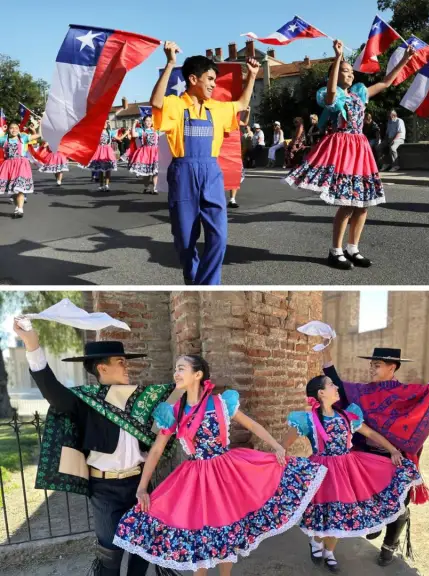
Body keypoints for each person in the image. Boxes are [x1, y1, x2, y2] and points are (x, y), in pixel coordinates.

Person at [112, 355, 327, 574]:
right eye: (176, 369)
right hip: (196, 477)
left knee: (228, 529)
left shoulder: (220, 403)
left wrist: (277, 446)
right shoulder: (174, 411)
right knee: (201, 534)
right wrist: (142, 487)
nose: (176, 373)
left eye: (181, 368)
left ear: (197, 374)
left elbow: (251, 424)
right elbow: (157, 450)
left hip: (226, 472)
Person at [12, 319, 175, 576]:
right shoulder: (88, 402)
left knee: (143, 550)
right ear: (102, 368)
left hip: (139, 483)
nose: (126, 367)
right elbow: (53, 393)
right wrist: (33, 345)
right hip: (105, 489)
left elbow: (176, 398)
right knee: (110, 556)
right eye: (120, 362)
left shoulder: (140, 399)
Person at [319, 337, 429, 566]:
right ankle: (375, 524)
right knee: (363, 496)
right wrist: (326, 354)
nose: (372, 368)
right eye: (371, 364)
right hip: (366, 455)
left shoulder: (408, 393)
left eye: (377, 365)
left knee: (399, 502)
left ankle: (390, 544)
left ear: (392, 367)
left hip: (398, 457)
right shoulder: (360, 392)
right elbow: (336, 385)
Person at [285, 40, 416, 271]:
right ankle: (335, 251)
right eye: (345, 72)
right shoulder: (330, 95)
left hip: (360, 148)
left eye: (350, 72)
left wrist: (406, 59)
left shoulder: (359, 94)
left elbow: (386, 82)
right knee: (346, 202)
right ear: (335, 75)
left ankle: (352, 248)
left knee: (363, 203)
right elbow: (332, 94)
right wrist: (337, 59)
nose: (350, 75)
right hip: (343, 148)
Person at [283, 376, 422, 572]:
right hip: (322, 473)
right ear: (321, 393)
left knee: (341, 515)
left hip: (347, 470)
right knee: (323, 514)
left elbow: (371, 434)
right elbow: (284, 447)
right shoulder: (307, 420)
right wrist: (282, 463)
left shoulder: (348, 417)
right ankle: (316, 542)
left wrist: (392, 450)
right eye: (331, 384)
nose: (336, 387)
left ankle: (329, 552)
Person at [150, 41, 258, 285]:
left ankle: (208, 286)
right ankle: (193, 281)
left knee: (218, 236)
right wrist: (170, 63)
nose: (213, 84)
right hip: (183, 173)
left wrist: (251, 76)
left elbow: (241, 105)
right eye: (209, 79)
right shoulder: (176, 105)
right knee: (185, 241)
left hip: (211, 172)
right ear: (192, 79)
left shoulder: (216, 108)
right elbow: (156, 102)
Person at [0, 122, 40, 218]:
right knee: (13, 190)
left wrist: (40, 124)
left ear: (19, 129)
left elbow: (38, 135)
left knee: (20, 188)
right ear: (8, 129)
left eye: (16, 128)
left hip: (21, 164)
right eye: (11, 128)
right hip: (8, 165)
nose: (14, 130)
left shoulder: (23, 138)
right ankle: (17, 206)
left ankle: (20, 209)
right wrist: (2, 130)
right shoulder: (3, 139)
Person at [127, 115, 161, 194]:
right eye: (147, 121)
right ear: (144, 122)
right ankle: (147, 187)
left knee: (155, 171)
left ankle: (155, 188)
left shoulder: (156, 130)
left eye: (150, 120)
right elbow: (134, 134)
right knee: (146, 172)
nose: (149, 122)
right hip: (145, 153)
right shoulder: (141, 131)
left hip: (155, 152)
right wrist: (134, 124)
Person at [86, 120, 123, 191]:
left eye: (106, 123)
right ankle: (101, 185)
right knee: (100, 169)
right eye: (103, 123)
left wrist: (126, 133)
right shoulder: (97, 132)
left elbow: (119, 138)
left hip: (108, 152)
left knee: (108, 169)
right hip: (99, 151)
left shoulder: (110, 132)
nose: (105, 124)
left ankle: (107, 185)